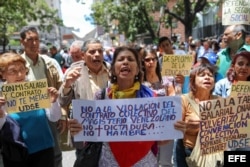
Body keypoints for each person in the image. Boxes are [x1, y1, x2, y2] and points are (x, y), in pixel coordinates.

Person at [68, 46, 186, 167]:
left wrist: (174, 131)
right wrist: (79, 129)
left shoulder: (153, 98)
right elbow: (91, 137)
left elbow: (160, 141)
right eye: (121, 59)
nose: (125, 62)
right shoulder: (102, 96)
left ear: (137, 69)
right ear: (113, 69)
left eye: (130, 59)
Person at [0, 52, 61, 167]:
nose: (19, 74)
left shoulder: (37, 90)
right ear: (3, 75)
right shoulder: (1, 97)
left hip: (44, 149)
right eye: (13, 71)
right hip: (16, 153)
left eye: (22, 69)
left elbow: (54, 117)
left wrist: (53, 102)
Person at [19, 25, 64, 167]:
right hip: (25, 116)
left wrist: (61, 114)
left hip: (48, 113)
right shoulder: (17, 64)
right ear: (22, 42)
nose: (34, 43)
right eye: (30, 39)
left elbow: (60, 89)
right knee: (28, 154)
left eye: (36, 39)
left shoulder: (50, 63)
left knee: (55, 153)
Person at [58, 38, 110, 156]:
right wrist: (67, 84)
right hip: (85, 133)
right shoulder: (74, 71)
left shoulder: (112, 71)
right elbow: (62, 100)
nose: (97, 55)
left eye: (99, 51)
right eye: (92, 52)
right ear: (83, 55)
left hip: (109, 132)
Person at [175, 63, 220, 167]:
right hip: (189, 154)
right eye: (202, 75)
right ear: (192, 80)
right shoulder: (184, 100)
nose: (207, 77)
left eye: (210, 75)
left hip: (213, 155)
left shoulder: (220, 101)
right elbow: (175, 127)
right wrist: (187, 127)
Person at [141, 48, 176, 166]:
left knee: (166, 161)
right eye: (147, 60)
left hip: (165, 123)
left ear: (157, 60)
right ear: (142, 62)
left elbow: (172, 96)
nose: (151, 62)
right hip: (147, 126)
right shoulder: (139, 81)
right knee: (149, 159)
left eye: (153, 59)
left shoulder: (166, 79)